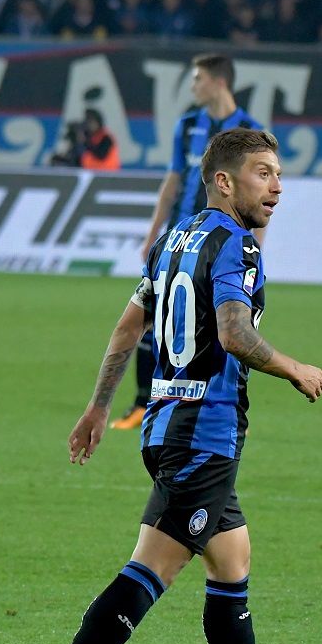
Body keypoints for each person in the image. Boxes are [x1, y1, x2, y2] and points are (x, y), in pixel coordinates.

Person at [28, 128, 322, 644]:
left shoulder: (172, 239)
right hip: (204, 433)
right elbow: (234, 334)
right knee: (153, 569)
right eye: (263, 173)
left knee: (232, 557)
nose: (276, 186)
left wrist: (96, 408)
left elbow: (125, 329)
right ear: (224, 181)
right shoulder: (237, 245)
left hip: (168, 424)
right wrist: (294, 367)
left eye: (277, 174)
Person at [110, 53, 263, 430]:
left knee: (220, 325)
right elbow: (174, 180)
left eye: (198, 79)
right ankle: (141, 403)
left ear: (219, 82)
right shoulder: (188, 124)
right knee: (158, 318)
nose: (193, 86)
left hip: (224, 241)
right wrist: (153, 235)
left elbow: (258, 193)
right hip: (182, 238)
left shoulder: (249, 130)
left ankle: (213, 403)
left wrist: (254, 244)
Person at [50, 108, 119, 170]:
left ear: (98, 123)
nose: (89, 125)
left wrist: (84, 142)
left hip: (106, 175)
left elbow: (100, 155)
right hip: (90, 173)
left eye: (91, 122)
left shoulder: (106, 138)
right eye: (87, 121)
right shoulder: (89, 136)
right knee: (57, 160)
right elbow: (79, 159)